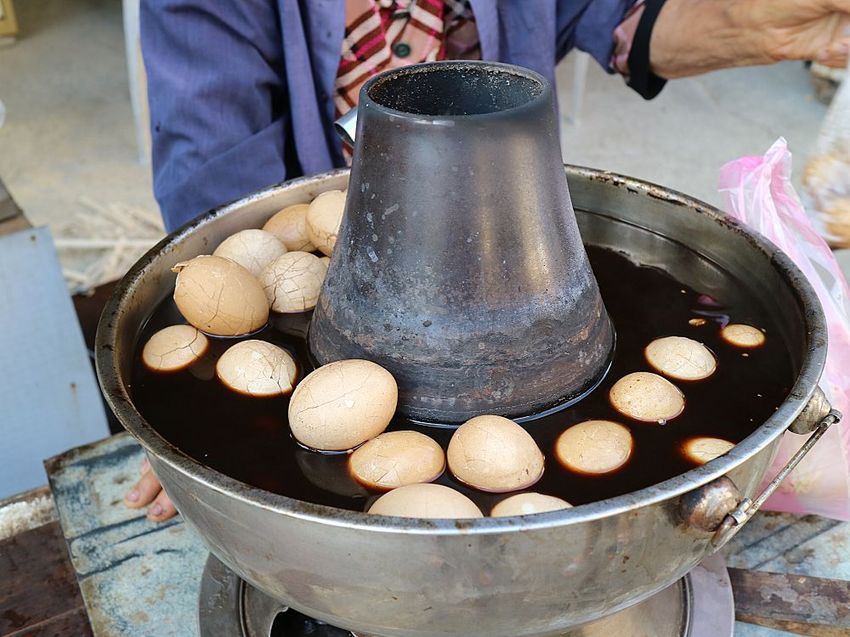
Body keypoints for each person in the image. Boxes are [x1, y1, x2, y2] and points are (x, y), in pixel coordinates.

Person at [127, 0, 850, 522]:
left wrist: (791, 21)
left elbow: (618, 19)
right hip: (352, 298)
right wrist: (214, 436)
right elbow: (221, 204)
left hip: (532, 260)